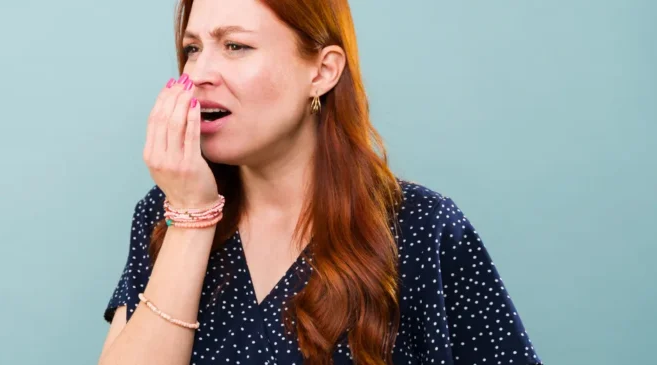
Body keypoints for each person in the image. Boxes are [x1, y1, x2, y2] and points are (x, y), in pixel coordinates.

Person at [98, 0, 542, 364]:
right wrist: (192, 218)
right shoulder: (166, 211)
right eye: (192, 48)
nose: (197, 75)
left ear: (323, 71)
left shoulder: (422, 228)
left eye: (234, 46)